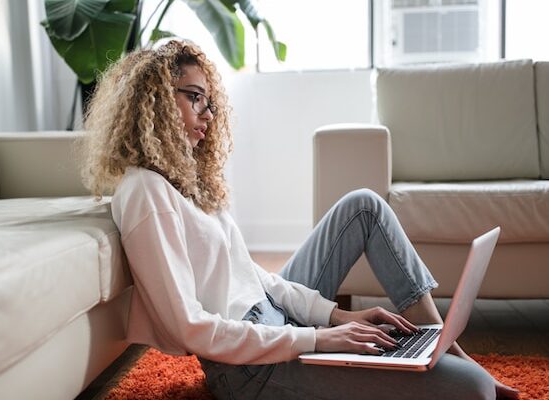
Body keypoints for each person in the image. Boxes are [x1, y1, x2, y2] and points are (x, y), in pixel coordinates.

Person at [81, 40, 519, 400]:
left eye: (210, 102)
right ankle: (456, 365)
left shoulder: (186, 182)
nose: (208, 115)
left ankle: (443, 347)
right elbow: (189, 327)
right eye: (194, 97)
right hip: (247, 369)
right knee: (474, 391)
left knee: (364, 205)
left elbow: (254, 278)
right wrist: (315, 339)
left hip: (276, 323)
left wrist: (332, 317)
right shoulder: (145, 191)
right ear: (154, 101)